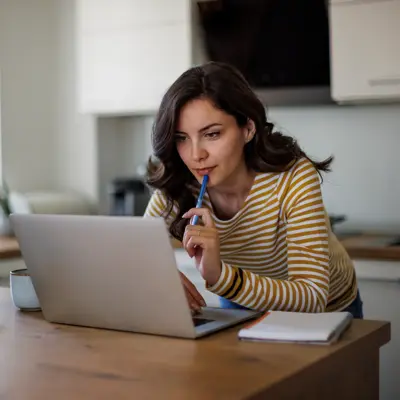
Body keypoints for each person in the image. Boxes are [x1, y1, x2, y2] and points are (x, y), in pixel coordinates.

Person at [144, 61, 363, 319]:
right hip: (242, 301)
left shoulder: (293, 178)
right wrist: (159, 274)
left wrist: (220, 277)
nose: (195, 155)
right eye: (182, 138)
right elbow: (134, 254)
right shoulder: (179, 184)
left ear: (247, 128)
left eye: (212, 134)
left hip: (327, 310)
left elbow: (312, 295)